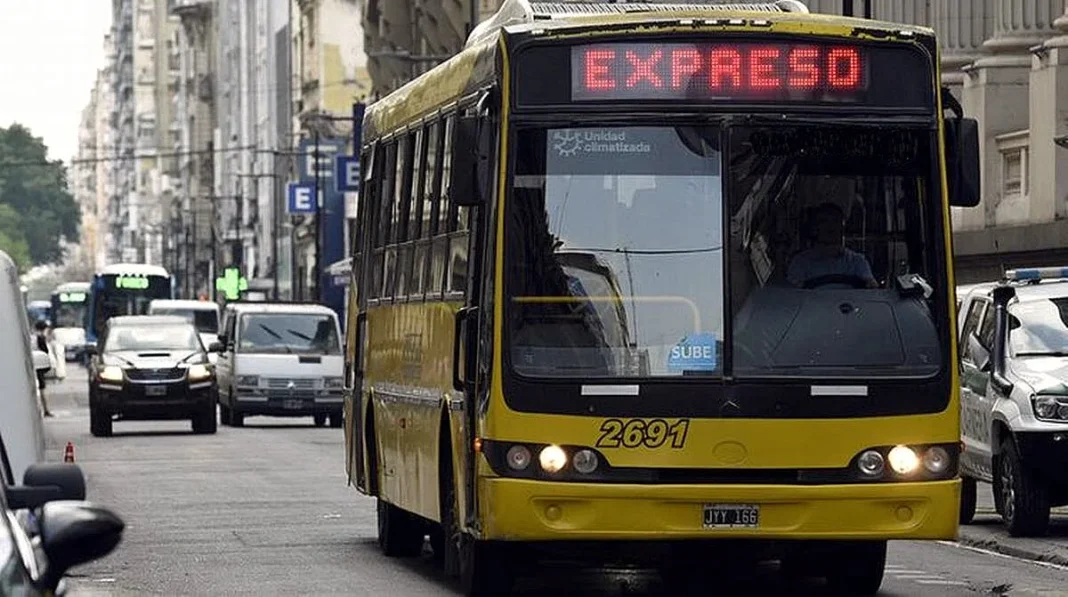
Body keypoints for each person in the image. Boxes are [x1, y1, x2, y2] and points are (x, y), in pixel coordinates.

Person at [786, 202, 878, 289]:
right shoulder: (800, 262)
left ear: (843, 227)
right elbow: (791, 293)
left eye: (835, 221)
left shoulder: (857, 262)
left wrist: (870, 284)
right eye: (824, 221)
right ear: (814, 228)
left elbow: (871, 289)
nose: (831, 226)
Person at [34, 319, 53, 417]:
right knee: (41, 389)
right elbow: (45, 352)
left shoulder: (32, 337)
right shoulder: (40, 338)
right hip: (39, 366)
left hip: (33, 365)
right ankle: (45, 410)